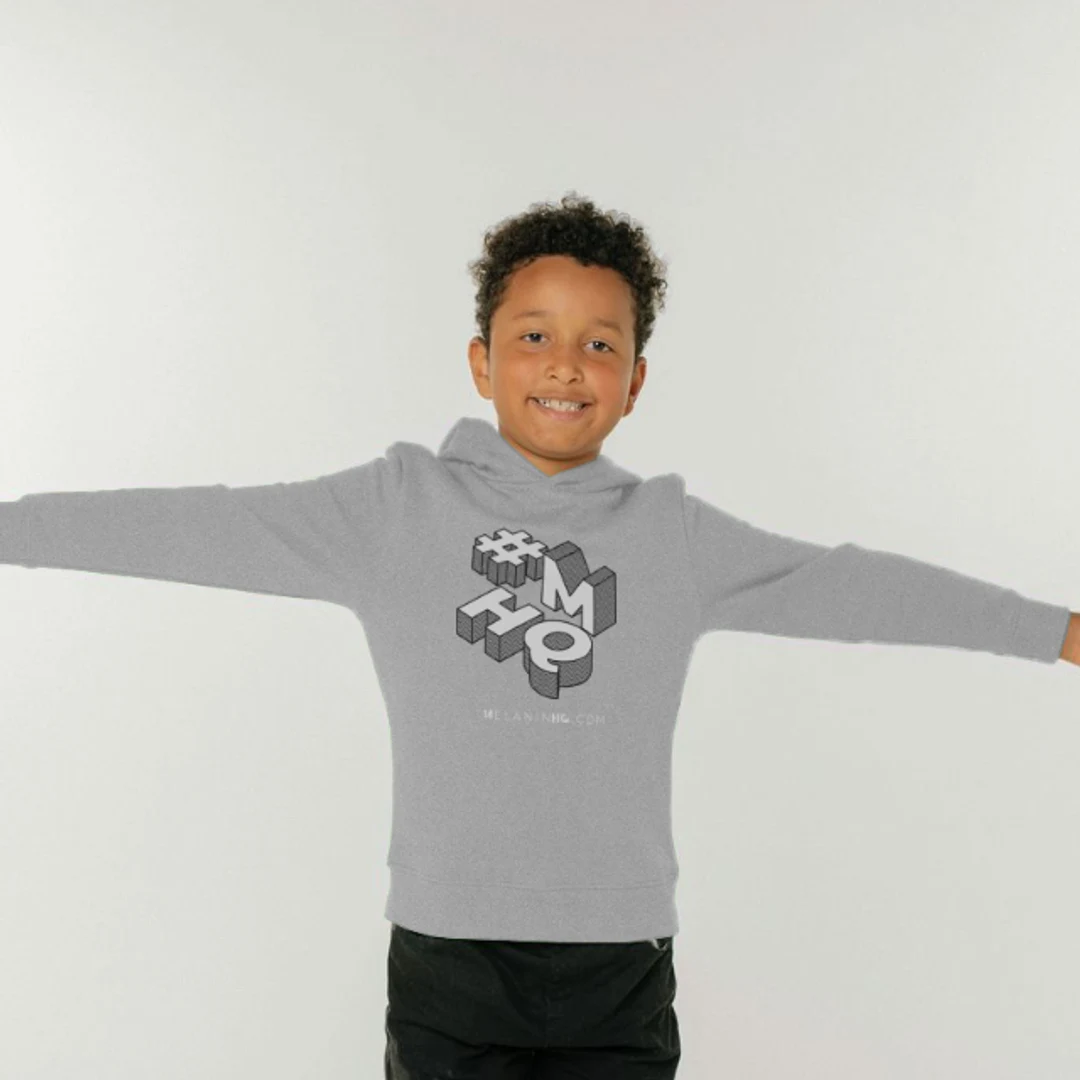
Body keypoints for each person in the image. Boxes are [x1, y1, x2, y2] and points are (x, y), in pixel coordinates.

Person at [2, 191, 1076, 1080]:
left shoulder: (670, 533)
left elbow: (848, 587)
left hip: (620, 964)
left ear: (635, 382)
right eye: (534, 337)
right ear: (481, 363)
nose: (565, 365)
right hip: (450, 959)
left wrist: (1056, 630)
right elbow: (196, 525)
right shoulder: (394, 510)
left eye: (599, 344)